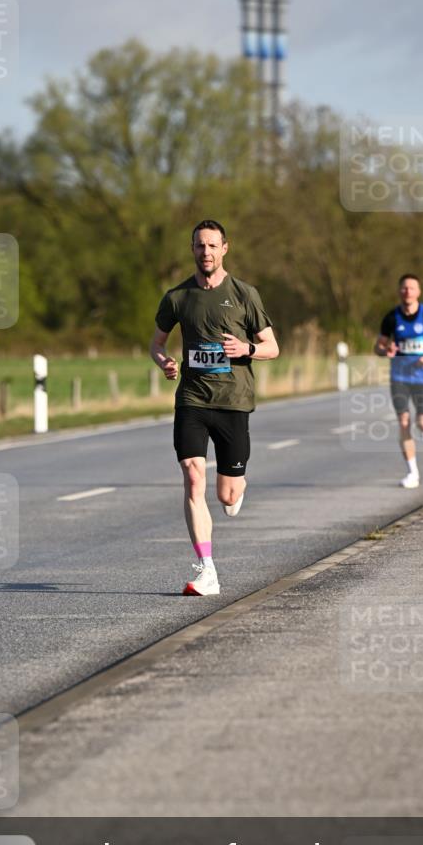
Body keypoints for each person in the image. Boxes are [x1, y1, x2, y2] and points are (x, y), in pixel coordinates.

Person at [150, 219, 279, 595]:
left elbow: (272, 346)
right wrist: (164, 362)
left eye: (211, 245)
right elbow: (156, 344)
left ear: (224, 248)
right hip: (192, 399)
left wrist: (247, 348)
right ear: (192, 249)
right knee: (193, 476)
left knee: (227, 495)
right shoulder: (177, 297)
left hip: (233, 402)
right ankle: (207, 569)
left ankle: (236, 489)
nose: (205, 252)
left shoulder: (244, 294)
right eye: (199, 245)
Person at [374, 273, 423, 489]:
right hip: (399, 377)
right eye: (404, 288)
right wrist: (385, 350)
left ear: (418, 292)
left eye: (411, 288)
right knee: (403, 422)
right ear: (399, 291)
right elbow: (378, 346)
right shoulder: (391, 318)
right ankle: (412, 472)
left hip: (422, 378)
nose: (407, 291)